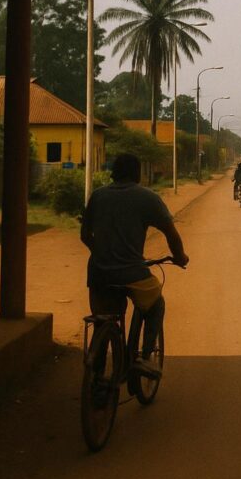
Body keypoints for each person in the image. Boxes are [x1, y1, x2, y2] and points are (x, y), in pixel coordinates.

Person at [81, 153, 189, 378]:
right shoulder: (147, 197)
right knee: (156, 304)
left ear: (113, 172)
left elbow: (85, 235)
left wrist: (102, 253)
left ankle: (96, 382)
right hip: (132, 273)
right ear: (137, 173)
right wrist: (180, 257)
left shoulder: (98, 196)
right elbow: (170, 232)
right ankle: (143, 357)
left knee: (103, 322)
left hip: (99, 273)